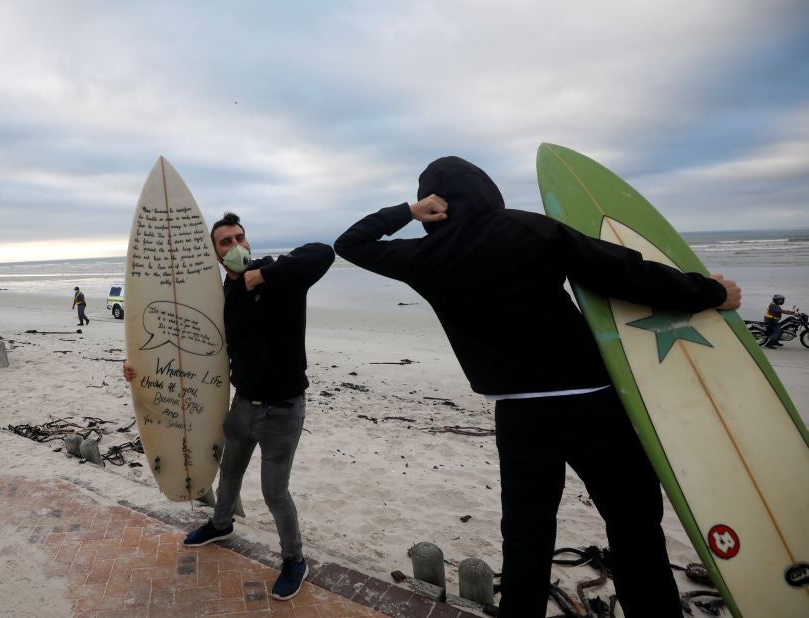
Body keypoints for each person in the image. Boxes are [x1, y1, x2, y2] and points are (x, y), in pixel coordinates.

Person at [334, 156, 742, 617]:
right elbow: (623, 272)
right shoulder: (530, 228)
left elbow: (350, 243)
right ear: (487, 189)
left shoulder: (424, 256)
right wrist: (706, 293)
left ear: (437, 200)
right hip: (592, 402)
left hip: (518, 413)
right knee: (632, 523)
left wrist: (407, 211)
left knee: (526, 533)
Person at [124, 212, 333, 601]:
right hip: (241, 406)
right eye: (225, 242)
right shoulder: (220, 299)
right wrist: (140, 369)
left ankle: (294, 560)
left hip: (283, 410)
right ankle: (221, 525)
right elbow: (186, 344)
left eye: (240, 238)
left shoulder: (280, 278)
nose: (235, 246)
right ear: (214, 253)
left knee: (275, 493)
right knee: (229, 473)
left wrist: (264, 275)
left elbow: (323, 252)